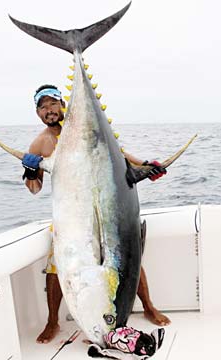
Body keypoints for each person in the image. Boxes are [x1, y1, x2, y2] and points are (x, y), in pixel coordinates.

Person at [22, 84, 170, 344]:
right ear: (37, 113)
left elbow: (119, 156)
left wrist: (146, 167)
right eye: (42, 107)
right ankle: (52, 321)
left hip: (104, 209)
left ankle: (147, 306)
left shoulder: (87, 129)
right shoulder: (41, 142)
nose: (49, 111)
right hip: (73, 218)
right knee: (56, 267)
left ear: (63, 104)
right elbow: (34, 189)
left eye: (53, 104)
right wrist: (31, 170)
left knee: (128, 256)